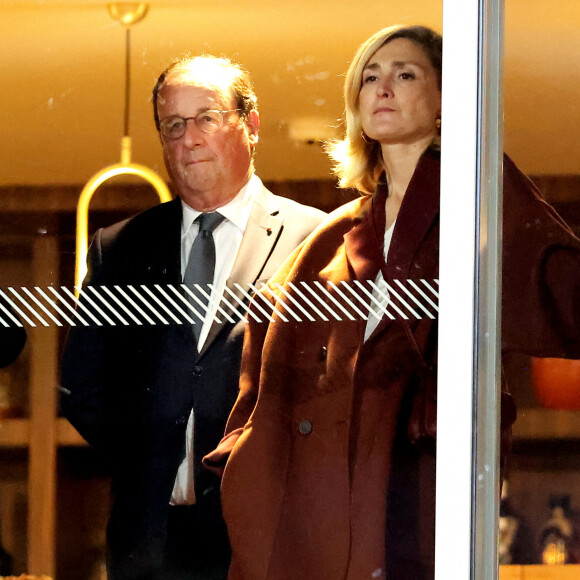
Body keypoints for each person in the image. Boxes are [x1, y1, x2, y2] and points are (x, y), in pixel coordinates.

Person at [204, 25, 580, 580]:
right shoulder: (334, 236)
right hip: (314, 514)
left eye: (405, 75)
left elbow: (564, 293)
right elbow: (261, 371)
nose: (383, 88)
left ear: (445, 99)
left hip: (421, 496)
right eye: (370, 78)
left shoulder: (479, 208)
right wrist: (243, 465)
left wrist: (487, 175)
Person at [60, 55, 326, 580]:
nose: (188, 138)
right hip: (147, 543)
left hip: (266, 538)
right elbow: (82, 388)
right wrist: (150, 455)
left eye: (206, 117)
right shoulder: (120, 248)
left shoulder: (311, 239)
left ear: (250, 126)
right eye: (173, 125)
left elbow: (325, 393)